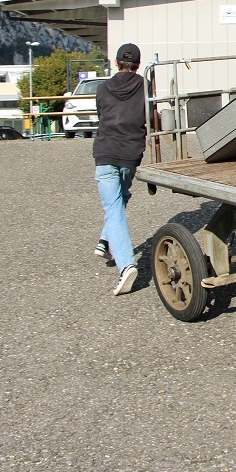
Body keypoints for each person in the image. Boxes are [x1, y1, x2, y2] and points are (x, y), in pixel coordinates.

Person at [92, 43, 148, 297]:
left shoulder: (102, 88)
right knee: (120, 198)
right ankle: (105, 241)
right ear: (137, 64)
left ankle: (126, 264)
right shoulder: (147, 88)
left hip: (106, 153)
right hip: (130, 155)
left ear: (116, 63)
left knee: (113, 206)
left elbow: (101, 114)